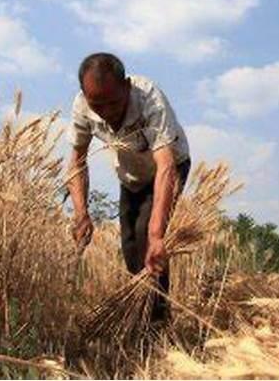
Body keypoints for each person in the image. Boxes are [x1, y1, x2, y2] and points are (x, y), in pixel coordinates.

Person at [67, 53, 191, 321]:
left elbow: (166, 165)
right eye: (97, 104)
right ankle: (139, 313)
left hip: (168, 170)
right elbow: (77, 161)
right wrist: (81, 213)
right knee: (131, 247)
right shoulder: (81, 106)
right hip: (130, 176)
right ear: (85, 95)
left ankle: (155, 323)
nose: (107, 112)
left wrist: (158, 235)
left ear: (126, 86)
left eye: (113, 103)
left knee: (148, 240)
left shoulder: (149, 99)